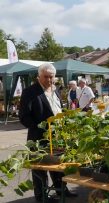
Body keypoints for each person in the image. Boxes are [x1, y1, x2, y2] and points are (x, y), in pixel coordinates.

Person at [19, 63, 77, 202]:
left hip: (57, 136)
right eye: (46, 77)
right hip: (39, 137)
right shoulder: (30, 92)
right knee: (40, 169)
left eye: (52, 77)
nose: (49, 80)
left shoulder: (56, 90)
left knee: (58, 165)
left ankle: (61, 189)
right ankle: (41, 196)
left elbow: (58, 110)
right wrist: (40, 128)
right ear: (39, 76)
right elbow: (24, 116)